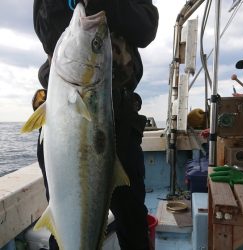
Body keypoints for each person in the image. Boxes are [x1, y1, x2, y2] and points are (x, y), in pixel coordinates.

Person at [32, 1, 159, 250]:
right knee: (62, 215)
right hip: (64, 117)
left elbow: (147, 27)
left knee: (132, 218)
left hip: (119, 117)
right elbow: (47, 32)